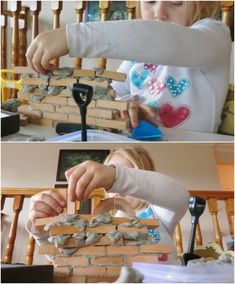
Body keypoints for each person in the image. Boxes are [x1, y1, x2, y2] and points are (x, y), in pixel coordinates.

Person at [26, 1, 232, 133]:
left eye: (176, 2)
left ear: (204, 5)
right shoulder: (137, 58)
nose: (159, 13)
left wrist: (74, 37)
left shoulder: (214, 36)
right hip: (134, 152)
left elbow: (168, 41)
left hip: (189, 157)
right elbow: (111, 95)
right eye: (150, 1)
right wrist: (123, 107)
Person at [27, 146, 189, 262]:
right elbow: (66, 260)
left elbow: (178, 196)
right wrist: (41, 231)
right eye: (108, 181)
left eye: (126, 179)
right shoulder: (96, 228)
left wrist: (117, 177)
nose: (118, 187)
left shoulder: (158, 215)